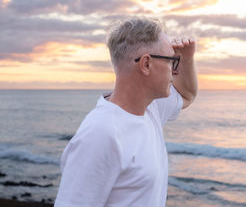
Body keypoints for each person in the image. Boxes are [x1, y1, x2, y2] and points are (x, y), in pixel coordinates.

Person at [54, 17, 198, 207]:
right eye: (172, 61)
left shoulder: (151, 109)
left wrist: (187, 60)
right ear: (146, 64)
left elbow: (187, 95)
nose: (174, 71)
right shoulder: (101, 133)